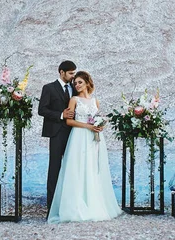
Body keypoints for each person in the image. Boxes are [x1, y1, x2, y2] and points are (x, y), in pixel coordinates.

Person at [47, 71, 122, 223]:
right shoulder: (74, 100)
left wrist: (99, 126)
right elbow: (69, 121)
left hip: (94, 138)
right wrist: (87, 126)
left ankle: (93, 203)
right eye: (75, 83)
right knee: (77, 168)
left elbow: (97, 119)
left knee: (93, 168)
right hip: (79, 136)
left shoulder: (96, 101)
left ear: (87, 82)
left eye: (80, 82)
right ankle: (75, 206)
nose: (77, 85)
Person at [38, 60, 77, 214]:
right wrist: (61, 115)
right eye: (71, 73)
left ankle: (70, 205)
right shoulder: (48, 88)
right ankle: (52, 208)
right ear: (61, 72)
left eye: (74, 73)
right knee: (54, 169)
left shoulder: (75, 88)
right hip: (56, 133)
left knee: (72, 168)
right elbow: (42, 110)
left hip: (74, 132)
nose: (73, 76)